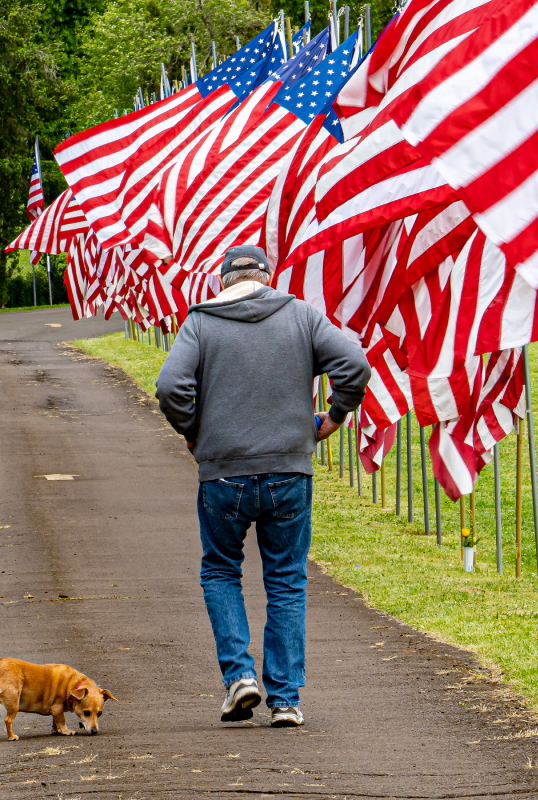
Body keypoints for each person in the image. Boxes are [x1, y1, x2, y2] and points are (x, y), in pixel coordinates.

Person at [154, 245, 371, 728]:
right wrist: (333, 417)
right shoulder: (301, 316)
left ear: (225, 282)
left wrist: (194, 432)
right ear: (267, 278)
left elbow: (170, 387)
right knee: (287, 581)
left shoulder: (202, 323)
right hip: (289, 471)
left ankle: (239, 678)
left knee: (221, 571)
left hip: (222, 473)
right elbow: (354, 366)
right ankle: (286, 699)